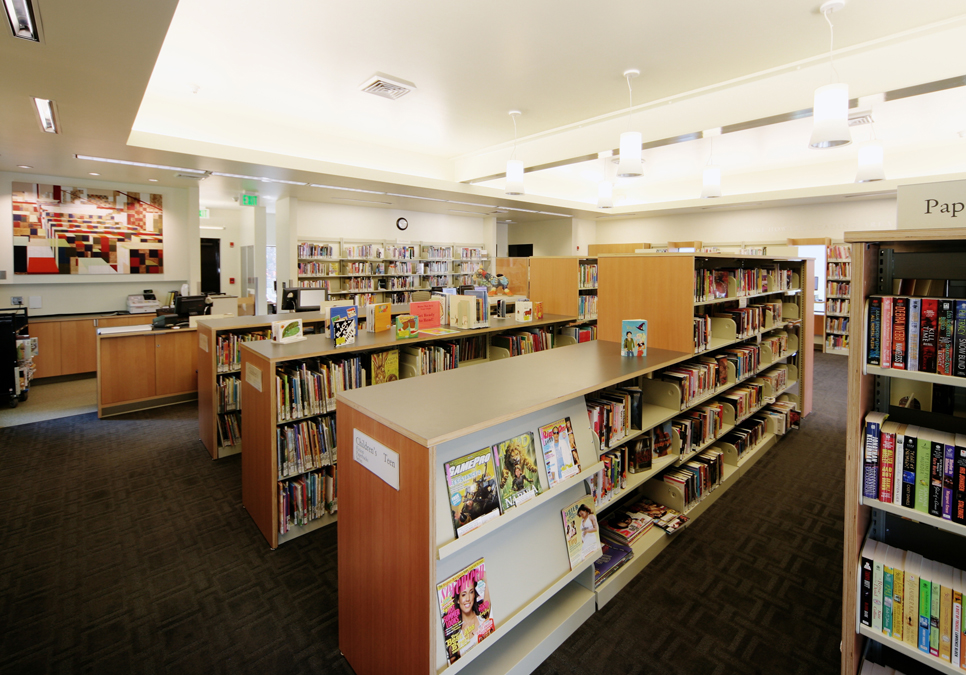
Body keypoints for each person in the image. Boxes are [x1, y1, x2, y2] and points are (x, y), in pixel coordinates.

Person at [448, 574, 494, 662]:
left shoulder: (483, 615)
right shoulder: (455, 636)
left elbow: (486, 578)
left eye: (471, 592)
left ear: (474, 595)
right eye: (464, 594)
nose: (468, 598)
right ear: (458, 600)